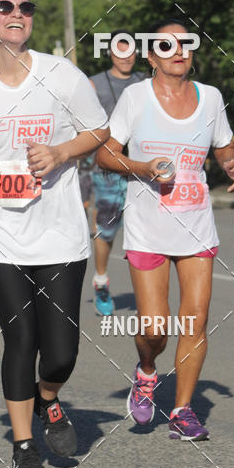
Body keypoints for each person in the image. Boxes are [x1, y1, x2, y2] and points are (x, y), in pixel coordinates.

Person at [0, 0, 109, 468]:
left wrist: (61, 153)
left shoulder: (61, 73)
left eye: (25, 7)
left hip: (60, 231)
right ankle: (23, 447)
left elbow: (99, 129)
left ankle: (48, 397)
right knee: (20, 338)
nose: (16, 14)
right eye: (4, 7)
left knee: (60, 352)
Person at [97, 20, 234, 441]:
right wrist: (142, 168)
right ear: (151, 57)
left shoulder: (210, 98)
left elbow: (223, 146)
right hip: (148, 227)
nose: (179, 50)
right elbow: (105, 154)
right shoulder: (136, 98)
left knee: (195, 320)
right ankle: (147, 371)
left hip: (196, 226)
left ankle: (182, 409)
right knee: (154, 328)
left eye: (185, 44)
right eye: (166, 46)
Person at [90, 33, 146, 315]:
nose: (126, 57)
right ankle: (101, 280)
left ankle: (149, 289)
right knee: (108, 230)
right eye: (119, 52)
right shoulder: (94, 84)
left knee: (146, 227)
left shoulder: (145, 83)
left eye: (130, 52)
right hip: (107, 168)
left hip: (143, 166)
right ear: (110, 54)